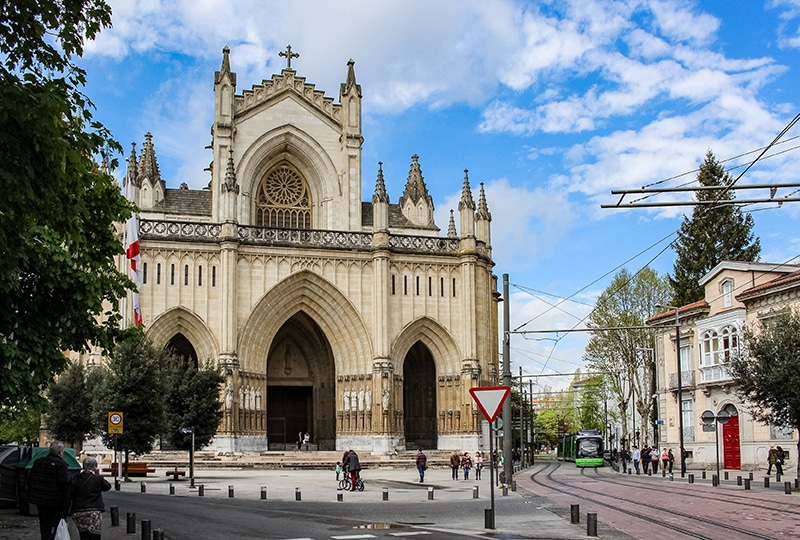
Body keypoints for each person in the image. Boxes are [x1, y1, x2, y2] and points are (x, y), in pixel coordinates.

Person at [26, 440, 70, 540]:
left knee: (44, 524)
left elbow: (30, 480)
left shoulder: (38, 462)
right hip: (55, 501)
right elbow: (64, 484)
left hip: (40, 501)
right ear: (60, 452)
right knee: (56, 526)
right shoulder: (61, 464)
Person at [70, 456, 112, 540]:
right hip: (93, 512)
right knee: (95, 535)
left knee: (83, 535)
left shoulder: (75, 478)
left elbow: (70, 493)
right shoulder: (97, 479)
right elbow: (107, 487)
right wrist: (98, 476)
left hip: (78, 511)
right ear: (95, 466)